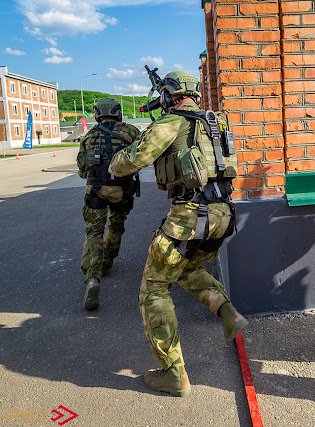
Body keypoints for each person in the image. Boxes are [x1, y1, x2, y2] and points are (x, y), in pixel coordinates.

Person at [109, 71, 248, 397]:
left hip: (190, 217)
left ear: (168, 96)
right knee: (186, 269)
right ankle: (227, 312)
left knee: (154, 289)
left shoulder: (170, 122)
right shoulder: (216, 123)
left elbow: (129, 162)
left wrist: (117, 158)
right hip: (223, 215)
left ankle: (174, 374)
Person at [76, 98, 140, 311]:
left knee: (94, 232)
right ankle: (107, 260)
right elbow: (142, 155)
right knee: (115, 225)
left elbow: (82, 169)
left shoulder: (89, 136)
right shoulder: (130, 131)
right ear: (118, 112)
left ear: (97, 114)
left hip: (95, 189)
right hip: (121, 189)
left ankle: (93, 278)